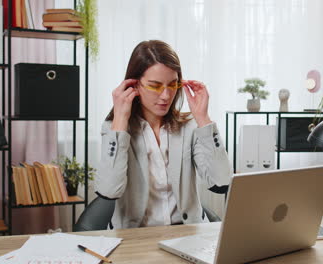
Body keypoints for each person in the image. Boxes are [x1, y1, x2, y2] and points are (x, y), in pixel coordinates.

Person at [94, 40, 232, 229]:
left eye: (172, 85)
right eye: (155, 85)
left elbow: (221, 183)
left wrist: (203, 118)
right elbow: (109, 190)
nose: (166, 95)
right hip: (136, 236)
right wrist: (120, 121)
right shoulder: (115, 128)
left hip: (188, 232)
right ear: (134, 85)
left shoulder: (190, 126)